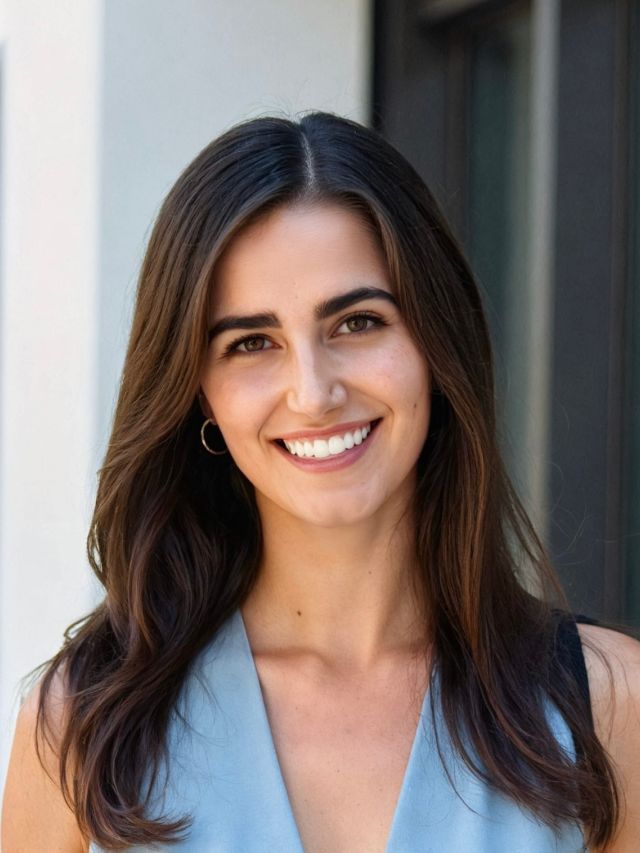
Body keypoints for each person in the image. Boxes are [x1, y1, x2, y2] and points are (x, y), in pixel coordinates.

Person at [2, 111, 640, 852]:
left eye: (358, 323)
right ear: (197, 394)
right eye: (251, 342)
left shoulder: (610, 705)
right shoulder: (81, 728)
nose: (312, 391)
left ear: (438, 343)